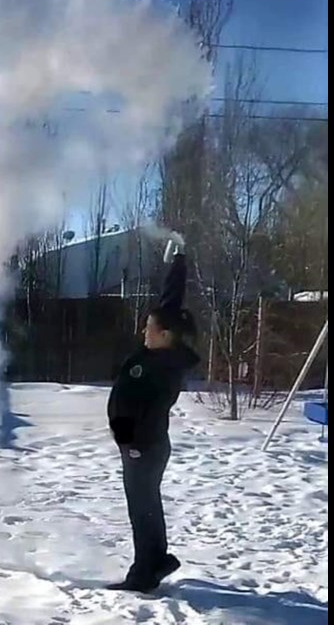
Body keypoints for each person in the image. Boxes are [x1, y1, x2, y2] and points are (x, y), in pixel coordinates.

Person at [105, 242, 200, 592]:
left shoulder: (161, 367)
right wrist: (179, 262)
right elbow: (170, 302)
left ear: (166, 336)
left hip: (144, 446)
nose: (145, 331)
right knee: (146, 505)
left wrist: (130, 443)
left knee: (142, 511)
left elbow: (144, 410)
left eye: (150, 328)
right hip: (148, 445)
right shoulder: (162, 351)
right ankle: (155, 559)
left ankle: (145, 572)